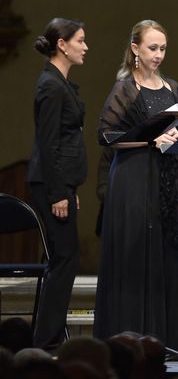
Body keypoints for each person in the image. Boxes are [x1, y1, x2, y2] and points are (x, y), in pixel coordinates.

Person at [94, 19, 178, 350]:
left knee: (165, 252)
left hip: (165, 179)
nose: (158, 55)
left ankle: (167, 340)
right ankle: (130, 340)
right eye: (152, 48)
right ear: (135, 49)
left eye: (163, 48)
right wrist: (151, 140)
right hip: (133, 178)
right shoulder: (126, 89)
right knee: (136, 252)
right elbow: (107, 136)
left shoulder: (173, 88)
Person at [27, 18, 88, 350]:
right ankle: (47, 341)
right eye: (80, 40)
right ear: (62, 45)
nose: (85, 46)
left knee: (67, 258)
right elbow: (49, 143)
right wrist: (58, 192)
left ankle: (49, 337)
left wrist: (69, 189)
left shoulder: (60, 83)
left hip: (60, 184)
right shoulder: (50, 85)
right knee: (64, 259)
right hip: (51, 184)